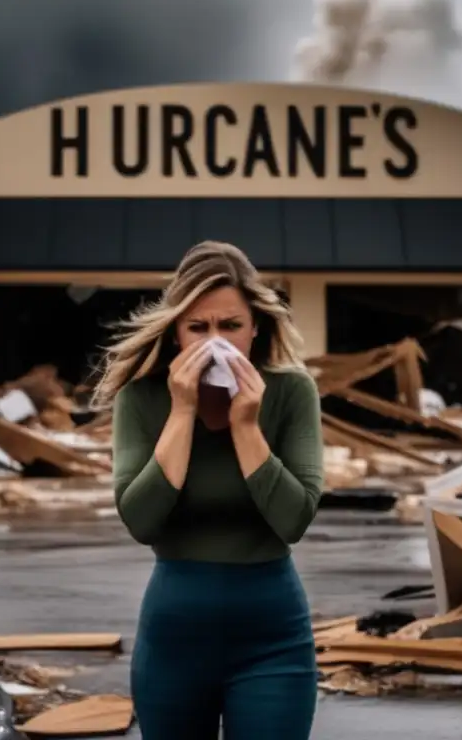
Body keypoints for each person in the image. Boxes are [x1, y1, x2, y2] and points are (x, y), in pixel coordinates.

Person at [91, 240, 324, 739]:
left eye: (230, 326)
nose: (215, 341)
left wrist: (246, 425)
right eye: (198, 327)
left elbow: (294, 519)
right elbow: (141, 520)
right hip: (173, 642)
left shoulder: (290, 391)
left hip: (272, 638)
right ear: (176, 332)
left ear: (256, 327)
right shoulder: (143, 397)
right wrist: (183, 411)